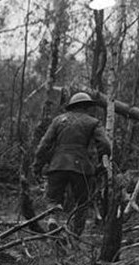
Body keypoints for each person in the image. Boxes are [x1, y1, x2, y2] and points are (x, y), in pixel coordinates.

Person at [32, 92, 112, 235]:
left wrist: (37, 166)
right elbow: (105, 144)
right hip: (81, 167)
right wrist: (102, 163)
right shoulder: (93, 122)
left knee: (53, 198)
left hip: (58, 165)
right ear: (87, 107)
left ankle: (52, 220)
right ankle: (76, 236)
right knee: (82, 203)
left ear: (72, 106)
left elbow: (44, 144)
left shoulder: (58, 120)